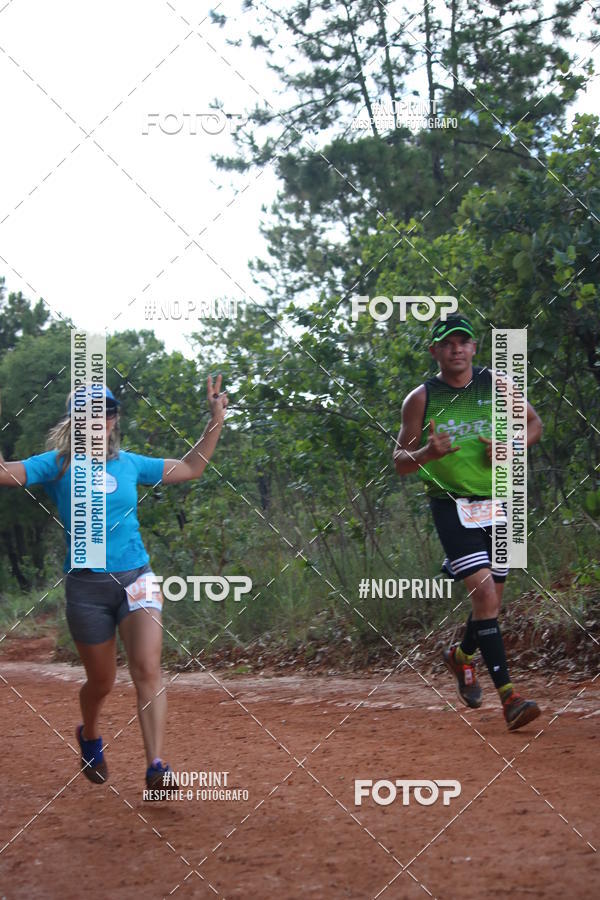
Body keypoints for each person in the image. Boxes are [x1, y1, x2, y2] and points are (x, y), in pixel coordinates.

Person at [0, 375, 227, 786]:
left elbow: (192, 467)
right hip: (87, 589)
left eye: (107, 412)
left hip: (137, 577)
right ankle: (89, 735)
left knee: (148, 669)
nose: (101, 419)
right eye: (91, 414)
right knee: (101, 681)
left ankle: (156, 766)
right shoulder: (56, 464)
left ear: (114, 419)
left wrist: (216, 420)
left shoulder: (130, 463)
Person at [393, 313, 542, 731]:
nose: (456, 349)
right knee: (485, 596)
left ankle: (460, 658)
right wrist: (427, 453)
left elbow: (534, 424)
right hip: (451, 505)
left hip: (498, 502)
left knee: (490, 602)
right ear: (435, 351)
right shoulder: (420, 398)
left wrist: (511, 445)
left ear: (474, 348)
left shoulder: (496, 384)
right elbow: (399, 462)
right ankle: (510, 698)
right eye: (447, 343)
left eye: (463, 342)